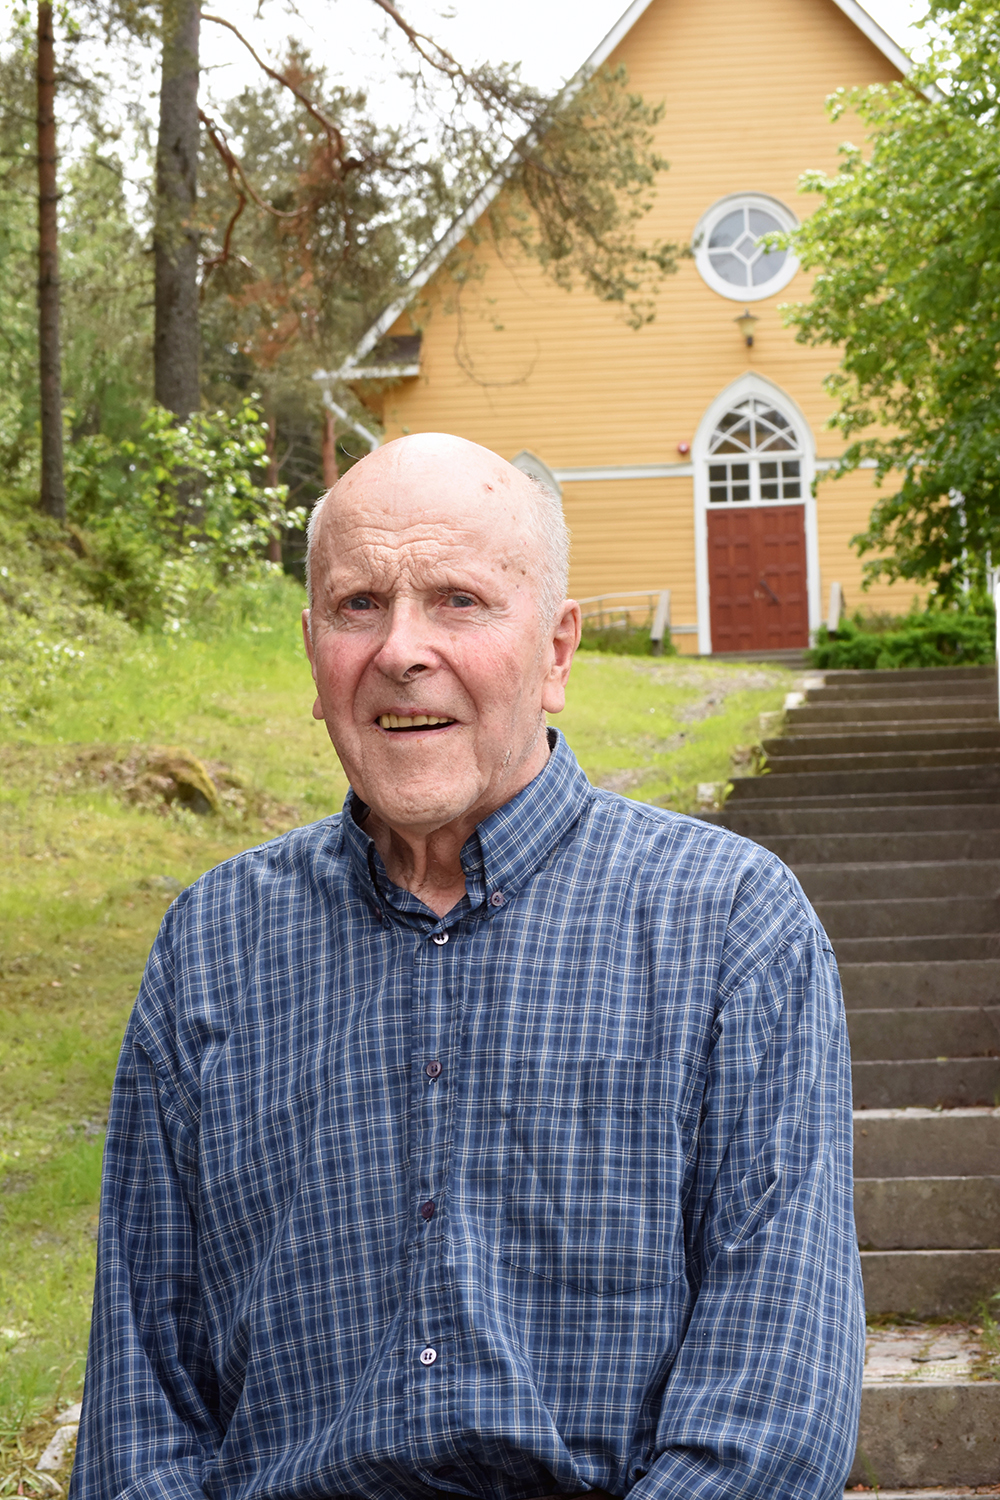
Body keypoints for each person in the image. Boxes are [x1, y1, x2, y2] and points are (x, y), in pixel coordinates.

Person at [69, 434, 864, 1500]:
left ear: (556, 651)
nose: (401, 649)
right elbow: (141, 1411)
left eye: (458, 601)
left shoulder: (729, 927)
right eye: (358, 605)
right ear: (312, 654)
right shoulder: (213, 946)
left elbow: (773, 1407)